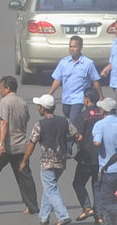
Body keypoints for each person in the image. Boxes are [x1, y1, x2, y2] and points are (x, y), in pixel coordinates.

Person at [20, 94, 81, 225]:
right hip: (61, 162)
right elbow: (77, 136)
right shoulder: (65, 121)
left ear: (42, 108)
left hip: (47, 163)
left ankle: (63, 215)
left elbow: (31, 144)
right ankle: (43, 217)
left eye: (38, 106)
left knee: (51, 188)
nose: (37, 108)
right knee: (49, 188)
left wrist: (24, 161)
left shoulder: (39, 124)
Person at [0, 76, 38, 214]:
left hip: (6, 145)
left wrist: (1, 143)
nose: (0, 91)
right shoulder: (23, 102)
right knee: (24, 176)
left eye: (1, 88)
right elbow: (27, 119)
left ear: (7, 88)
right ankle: (32, 206)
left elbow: (4, 122)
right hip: (21, 146)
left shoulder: (5, 101)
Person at [49, 35, 104, 156]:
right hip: (66, 99)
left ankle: (68, 146)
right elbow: (57, 80)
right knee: (69, 121)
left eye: (75, 47)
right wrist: (50, 94)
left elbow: (95, 81)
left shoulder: (88, 64)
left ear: (80, 48)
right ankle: (78, 139)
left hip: (79, 98)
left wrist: (101, 96)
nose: (72, 49)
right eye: (70, 46)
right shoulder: (64, 63)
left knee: (73, 121)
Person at [71, 88, 104, 222]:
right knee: (96, 185)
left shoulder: (83, 115)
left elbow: (79, 137)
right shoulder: (102, 114)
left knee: (78, 183)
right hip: (100, 157)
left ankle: (87, 207)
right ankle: (99, 216)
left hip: (86, 157)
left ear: (87, 99)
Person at [92, 97, 117, 225]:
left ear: (103, 111)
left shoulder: (99, 125)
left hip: (109, 170)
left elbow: (97, 142)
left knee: (108, 204)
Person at [101, 25, 117, 100]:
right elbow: (113, 61)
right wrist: (107, 69)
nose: (115, 31)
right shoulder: (115, 43)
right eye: (116, 29)